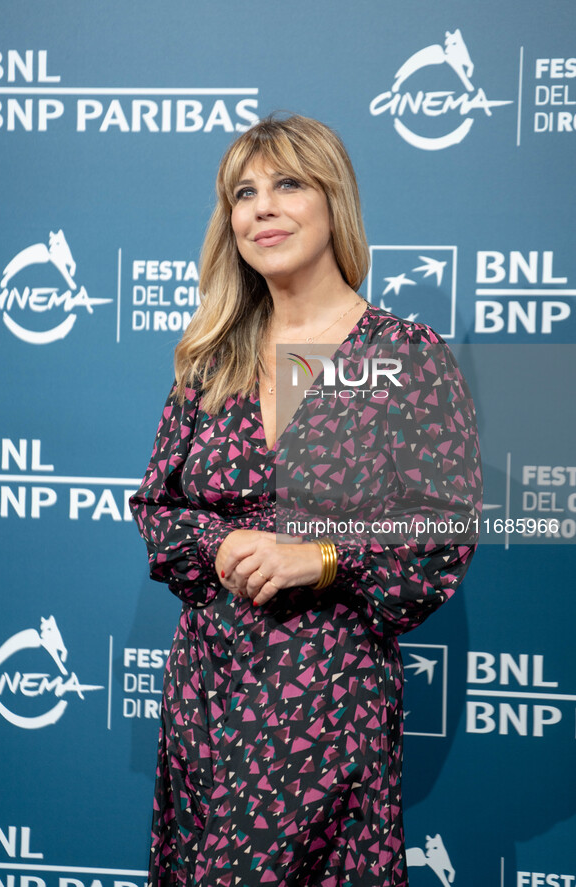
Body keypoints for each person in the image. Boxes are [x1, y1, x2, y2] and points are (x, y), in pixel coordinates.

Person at [130, 114, 482, 887]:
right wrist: (217, 545)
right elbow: (158, 505)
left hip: (327, 697)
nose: (262, 207)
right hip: (208, 692)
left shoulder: (401, 354)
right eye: (243, 193)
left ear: (333, 202)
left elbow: (441, 532)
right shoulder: (212, 358)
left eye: (287, 183)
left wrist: (319, 556)